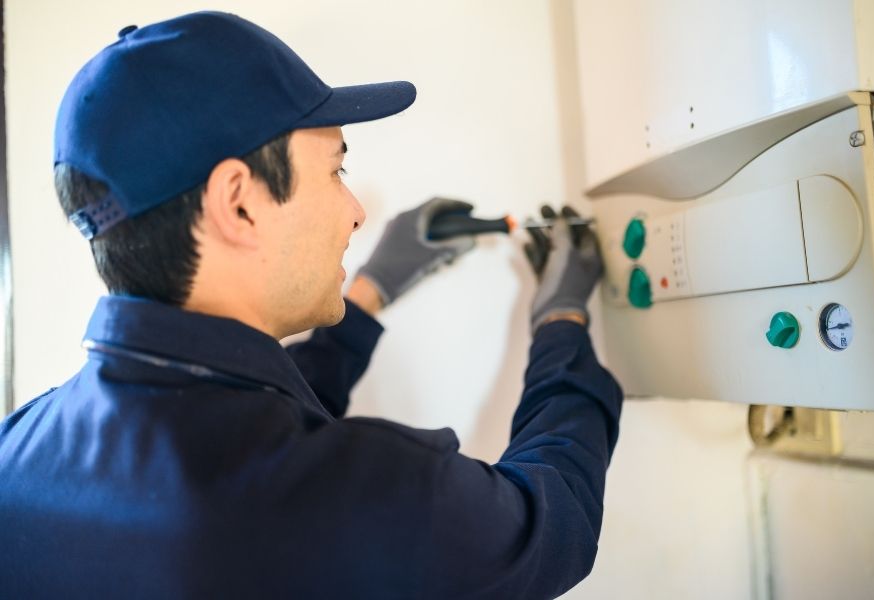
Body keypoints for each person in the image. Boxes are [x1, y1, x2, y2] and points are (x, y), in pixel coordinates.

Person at [0, 11, 622, 600]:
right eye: (334, 171)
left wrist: (368, 294)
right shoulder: (355, 496)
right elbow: (553, 520)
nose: (356, 212)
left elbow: (240, 418)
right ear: (239, 202)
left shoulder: (17, 454)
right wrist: (562, 320)